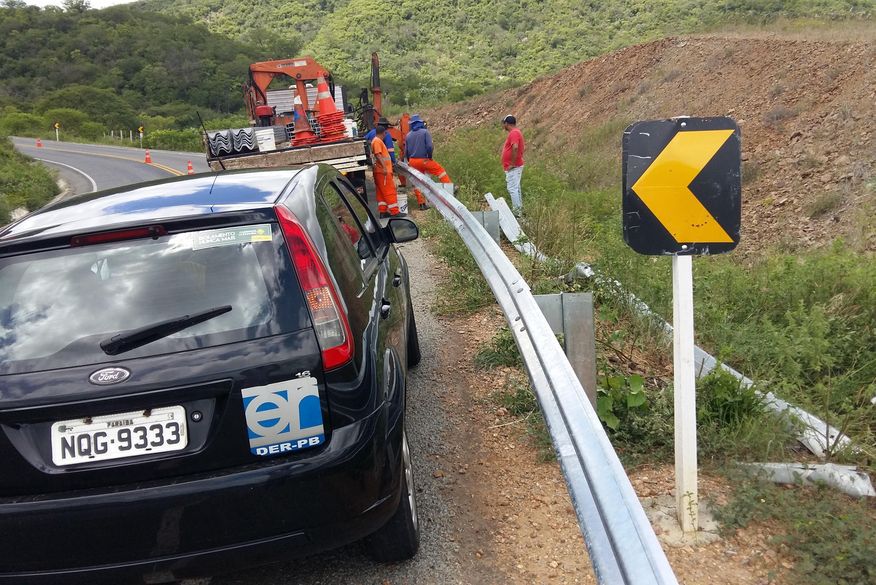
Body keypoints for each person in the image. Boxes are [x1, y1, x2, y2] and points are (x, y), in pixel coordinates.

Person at [405, 114, 454, 211]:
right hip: (423, 160)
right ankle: (450, 188)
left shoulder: (408, 135)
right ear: (420, 123)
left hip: (412, 161)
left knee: (417, 181)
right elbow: (430, 147)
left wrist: (409, 162)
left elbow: (406, 151)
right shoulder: (425, 132)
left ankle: (422, 204)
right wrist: (430, 157)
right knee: (440, 171)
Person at [371, 125, 402, 218]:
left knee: (381, 193)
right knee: (390, 191)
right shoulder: (377, 141)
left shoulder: (376, 140)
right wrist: (384, 167)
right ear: (384, 133)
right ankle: (395, 212)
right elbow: (378, 155)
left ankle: (383, 212)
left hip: (380, 171)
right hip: (383, 172)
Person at [501, 114, 525, 214]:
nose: (503, 126)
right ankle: (520, 210)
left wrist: (512, 163)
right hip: (515, 166)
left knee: (512, 189)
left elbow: (515, 147)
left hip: (513, 167)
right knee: (516, 188)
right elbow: (522, 148)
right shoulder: (516, 132)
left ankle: (517, 213)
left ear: (507, 123)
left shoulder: (514, 133)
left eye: (504, 124)